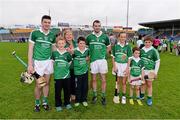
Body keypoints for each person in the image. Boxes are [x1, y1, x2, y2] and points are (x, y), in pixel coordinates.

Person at [28, 15, 56, 112]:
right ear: (41, 22)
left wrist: (56, 59)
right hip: (38, 63)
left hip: (48, 62)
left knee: (47, 83)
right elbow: (30, 49)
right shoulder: (35, 33)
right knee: (39, 84)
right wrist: (30, 64)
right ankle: (37, 103)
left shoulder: (52, 35)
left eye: (49, 22)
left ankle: (44, 102)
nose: (47, 24)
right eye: (45, 22)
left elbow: (53, 49)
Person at [86, 20, 111, 105]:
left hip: (102, 61)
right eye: (95, 26)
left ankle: (103, 96)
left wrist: (104, 54)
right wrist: (89, 56)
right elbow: (86, 48)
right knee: (93, 79)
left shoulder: (105, 37)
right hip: (93, 61)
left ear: (101, 26)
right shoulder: (89, 37)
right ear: (93, 27)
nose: (97, 27)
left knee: (103, 80)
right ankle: (95, 95)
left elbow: (109, 47)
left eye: (99, 25)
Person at [51, 36, 72, 111]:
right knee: (58, 91)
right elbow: (53, 63)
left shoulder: (67, 54)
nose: (61, 45)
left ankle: (67, 103)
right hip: (57, 76)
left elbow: (69, 63)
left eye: (62, 43)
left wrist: (65, 69)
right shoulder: (54, 53)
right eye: (59, 43)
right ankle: (58, 104)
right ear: (56, 44)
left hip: (66, 76)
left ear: (65, 44)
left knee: (67, 91)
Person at [112, 32, 132, 104]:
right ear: (119, 37)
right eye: (121, 37)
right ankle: (117, 95)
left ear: (126, 38)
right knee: (118, 82)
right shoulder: (115, 46)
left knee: (124, 82)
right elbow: (113, 57)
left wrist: (127, 68)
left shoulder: (128, 46)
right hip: (117, 65)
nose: (123, 38)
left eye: (124, 37)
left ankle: (123, 96)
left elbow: (129, 58)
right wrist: (114, 66)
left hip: (125, 66)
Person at [140, 36, 160, 106]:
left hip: (150, 71)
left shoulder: (154, 50)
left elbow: (157, 62)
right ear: (144, 42)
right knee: (142, 83)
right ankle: (141, 96)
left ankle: (149, 98)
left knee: (149, 84)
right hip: (142, 70)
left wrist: (155, 72)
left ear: (152, 43)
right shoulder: (141, 49)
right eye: (146, 42)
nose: (147, 43)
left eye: (149, 42)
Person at [73, 36, 89, 107]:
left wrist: (88, 58)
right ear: (78, 44)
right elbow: (70, 58)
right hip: (77, 72)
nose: (82, 45)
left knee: (85, 86)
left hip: (85, 71)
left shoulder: (87, 50)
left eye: (83, 43)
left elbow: (89, 57)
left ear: (85, 44)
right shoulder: (74, 51)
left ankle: (84, 99)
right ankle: (77, 100)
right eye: (80, 43)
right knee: (78, 86)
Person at [64, 29, 77, 102]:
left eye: (70, 34)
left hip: (75, 66)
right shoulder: (63, 44)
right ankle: (68, 96)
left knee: (74, 82)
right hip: (67, 67)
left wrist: (73, 53)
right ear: (64, 36)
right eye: (67, 35)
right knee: (67, 82)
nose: (69, 36)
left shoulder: (76, 43)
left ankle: (73, 95)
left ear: (72, 35)